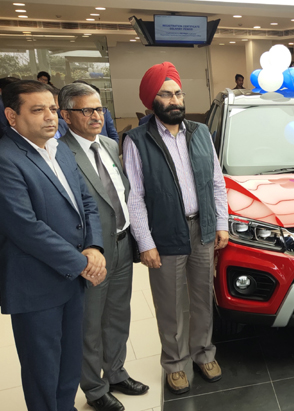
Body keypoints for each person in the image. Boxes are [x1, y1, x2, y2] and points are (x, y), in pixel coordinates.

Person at [123, 62, 229, 394]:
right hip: (165, 233)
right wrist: (145, 242)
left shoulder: (201, 133)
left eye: (178, 93)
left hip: (202, 229)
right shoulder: (137, 140)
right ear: (151, 100)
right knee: (170, 304)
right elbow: (135, 196)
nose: (175, 100)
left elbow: (217, 183)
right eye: (166, 94)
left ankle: (203, 353)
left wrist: (221, 223)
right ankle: (175, 363)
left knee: (202, 299)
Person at [0, 80, 106, 411]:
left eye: (52, 108)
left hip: (72, 280)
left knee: (69, 363)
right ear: (12, 116)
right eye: (37, 110)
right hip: (36, 285)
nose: (50, 117)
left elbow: (86, 202)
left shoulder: (59, 150)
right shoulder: (6, 159)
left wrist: (94, 247)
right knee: (43, 371)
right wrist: (82, 263)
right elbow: (25, 227)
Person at [58, 83, 149, 411]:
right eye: (87, 110)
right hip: (92, 253)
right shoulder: (60, 154)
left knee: (118, 316)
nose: (96, 116)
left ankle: (115, 372)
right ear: (66, 115)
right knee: (90, 325)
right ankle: (94, 388)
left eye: (99, 109)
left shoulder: (110, 145)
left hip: (122, 245)